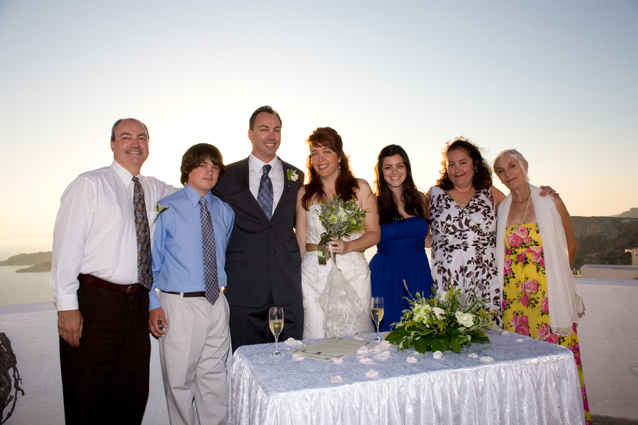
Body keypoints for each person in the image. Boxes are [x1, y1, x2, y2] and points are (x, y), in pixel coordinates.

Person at [50, 118, 176, 425]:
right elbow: (67, 246)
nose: (135, 143)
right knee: (88, 397)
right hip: (96, 303)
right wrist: (67, 307)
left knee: (131, 397)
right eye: (126, 137)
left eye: (141, 137)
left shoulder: (155, 188)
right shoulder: (89, 184)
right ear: (112, 144)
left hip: (137, 305)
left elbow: (198, 191)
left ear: (148, 145)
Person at [493, 149, 591, 424]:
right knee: (521, 361)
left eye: (512, 166)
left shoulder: (550, 201)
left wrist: (554, 281)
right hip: (514, 300)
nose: (507, 173)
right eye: (501, 170)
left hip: (548, 298)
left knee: (555, 359)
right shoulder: (503, 208)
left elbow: (570, 245)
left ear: (524, 166)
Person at [149, 144, 234, 425]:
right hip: (180, 305)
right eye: (202, 165)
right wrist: (153, 304)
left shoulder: (224, 211)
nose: (209, 172)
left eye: (215, 166)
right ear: (188, 169)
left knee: (215, 378)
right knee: (179, 383)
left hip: (217, 303)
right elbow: (152, 262)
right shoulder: (168, 208)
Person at [213, 106, 304, 351]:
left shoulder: (297, 176)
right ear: (250, 134)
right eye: (264, 129)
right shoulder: (226, 175)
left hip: (288, 288)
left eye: (276, 130)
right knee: (247, 366)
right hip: (243, 289)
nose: (271, 136)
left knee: (291, 365)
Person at [296, 127, 379, 338]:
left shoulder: (360, 188)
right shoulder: (305, 193)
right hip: (315, 274)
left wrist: (348, 245)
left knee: (355, 337)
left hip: (352, 271)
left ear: (339, 156)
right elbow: (301, 240)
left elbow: (374, 233)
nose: (320, 158)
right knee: (316, 333)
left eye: (326, 151)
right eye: (314, 153)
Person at [427, 137, 506, 325]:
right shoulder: (435, 194)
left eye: (463, 163)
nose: (457, 170)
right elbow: (415, 227)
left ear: (475, 163)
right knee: (448, 339)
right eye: (451, 164)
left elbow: (520, 210)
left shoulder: (490, 193)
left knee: (488, 340)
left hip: (484, 281)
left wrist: (544, 195)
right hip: (446, 280)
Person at [369, 145, 434, 332]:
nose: (394, 172)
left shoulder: (422, 200)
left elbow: (428, 240)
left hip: (418, 272)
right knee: (387, 332)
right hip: (386, 275)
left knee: (423, 329)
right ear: (381, 172)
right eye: (388, 167)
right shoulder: (374, 203)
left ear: (407, 168)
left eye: (399, 165)